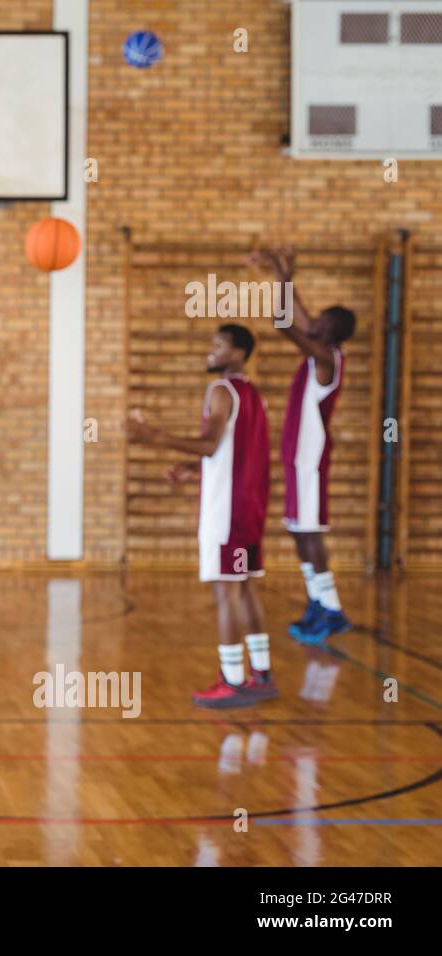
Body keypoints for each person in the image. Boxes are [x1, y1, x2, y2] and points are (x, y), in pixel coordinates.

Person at [126, 323, 277, 709]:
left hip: (226, 512)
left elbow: (211, 445)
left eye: (219, 345)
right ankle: (261, 674)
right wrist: (194, 467)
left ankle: (232, 681)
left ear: (240, 353)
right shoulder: (251, 393)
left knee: (225, 590)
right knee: (243, 587)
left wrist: (152, 436)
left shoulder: (222, 390)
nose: (211, 351)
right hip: (249, 508)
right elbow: (228, 450)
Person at [247, 247, 356, 643]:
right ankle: (318, 601)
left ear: (331, 332)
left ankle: (332, 609)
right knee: (298, 531)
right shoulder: (322, 351)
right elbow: (300, 316)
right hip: (299, 459)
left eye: (322, 321)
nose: (314, 321)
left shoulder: (326, 358)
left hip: (309, 460)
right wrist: (283, 272)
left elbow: (283, 324)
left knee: (310, 534)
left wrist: (282, 281)